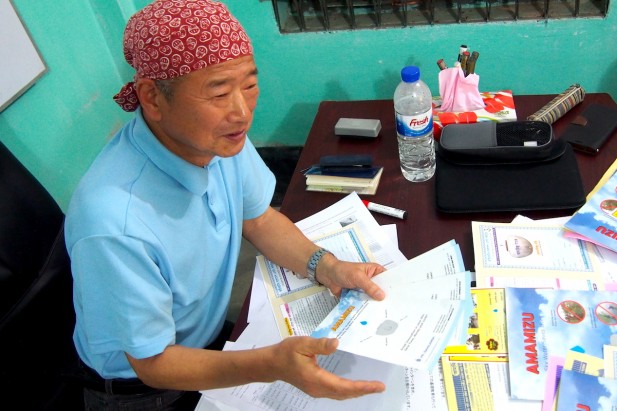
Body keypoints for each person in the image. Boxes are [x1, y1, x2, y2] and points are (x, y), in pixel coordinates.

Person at [64, 0, 387, 409]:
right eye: (218, 92)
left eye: (249, 85)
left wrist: (328, 266)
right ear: (153, 98)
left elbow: (259, 218)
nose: (242, 111)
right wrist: (271, 364)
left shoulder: (215, 138)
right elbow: (152, 362)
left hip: (208, 337)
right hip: (146, 389)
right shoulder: (114, 220)